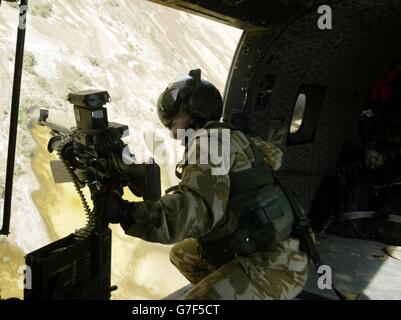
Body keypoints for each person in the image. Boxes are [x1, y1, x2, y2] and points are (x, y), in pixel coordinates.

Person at [92, 69, 309, 300]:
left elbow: (197, 211)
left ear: (195, 112)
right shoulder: (228, 136)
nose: (173, 132)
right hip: (280, 248)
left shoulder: (208, 142)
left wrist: (126, 212)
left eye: (173, 121)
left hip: (274, 264)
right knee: (182, 255)